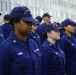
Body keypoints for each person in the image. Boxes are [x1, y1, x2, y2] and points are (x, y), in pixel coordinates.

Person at [0, 6, 41, 75]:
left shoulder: (33, 44)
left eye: (31, 22)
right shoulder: (5, 48)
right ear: (16, 23)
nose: (31, 25)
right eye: (27, 22)